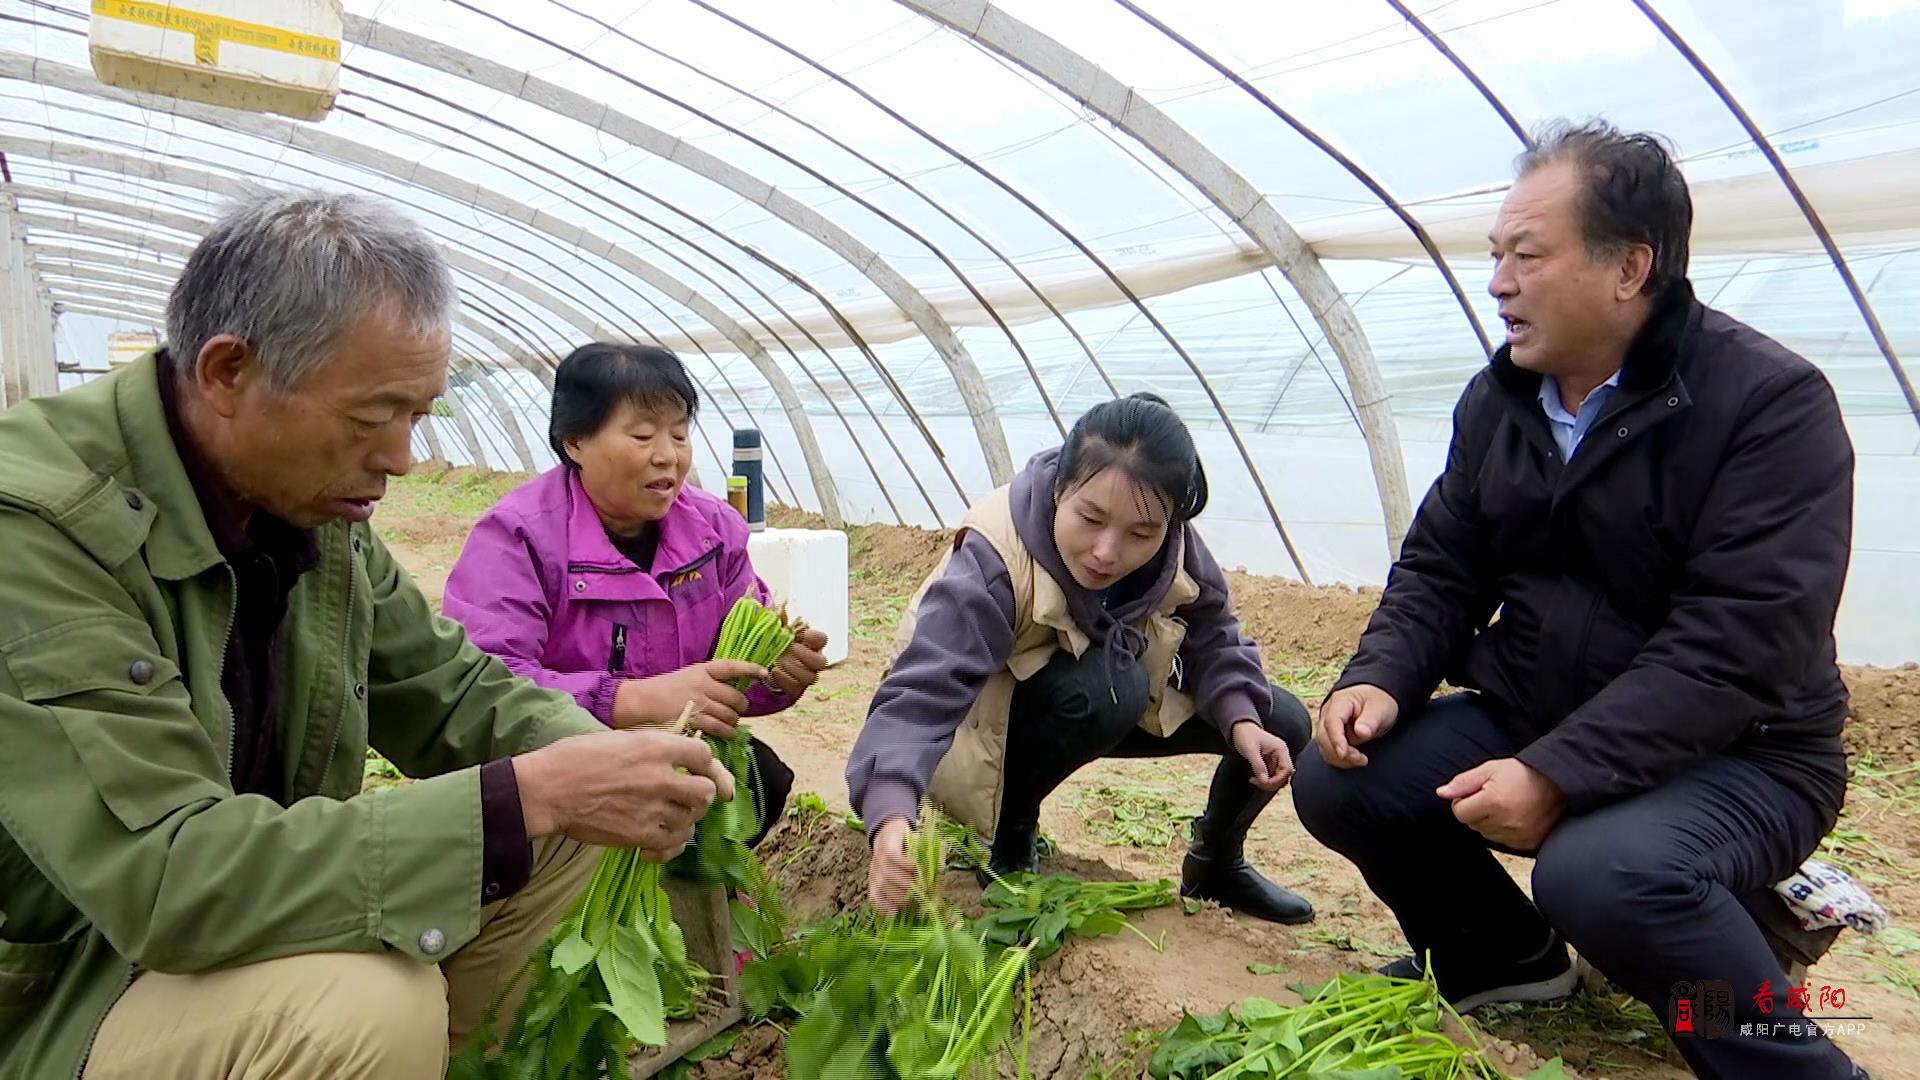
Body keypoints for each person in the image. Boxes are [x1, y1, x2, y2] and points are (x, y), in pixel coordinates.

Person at [0, 193, 737, 1080]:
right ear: (229, 372)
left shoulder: (311, 512)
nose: (402, 457)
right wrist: (524, 796)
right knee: (361, 1008)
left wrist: (609, 765)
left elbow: (458, 692)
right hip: (67, 989)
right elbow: (167, 877)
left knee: (581, 805)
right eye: (371, 417)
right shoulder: (35, 533)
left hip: (217, 932)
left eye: (419, 415)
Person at [1291, 121, 1867, 1079]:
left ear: (1630, 267)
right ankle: (1502, 960)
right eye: (1495, 256)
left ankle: (1784, 1060)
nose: (1498, 282)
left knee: (1602, 874)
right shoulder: (1502, 401)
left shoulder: (1768, 406)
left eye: (1526, 255)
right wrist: (1382, 676)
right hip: (1546, 707)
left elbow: (1737, 643)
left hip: (1747, 755)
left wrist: (1557, 775)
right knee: (1343, 777)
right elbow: (1442, 566)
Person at [849, 393, 1317, 925]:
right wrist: (890, 814)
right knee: (1113, 686)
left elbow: (1215, 634)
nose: (1107, 552)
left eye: (1141, 533)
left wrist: (1241, 718)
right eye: (1090, 519)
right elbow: (923, 691)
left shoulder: (1176, 549)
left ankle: (1215, 862)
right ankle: (1012, 830)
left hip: (1104, 702)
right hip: (985, 722)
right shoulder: (994, 556)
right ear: (1059, 489)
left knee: (1278, 719)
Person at [444, 342, 828, 846]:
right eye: (643, 434)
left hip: (677, 757)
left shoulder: (714, 532)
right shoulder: (519, 538)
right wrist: (634, 701)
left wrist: (776, 676)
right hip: (561, 768)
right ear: (575, 440)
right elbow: (485, 687)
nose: (667, 454)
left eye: (679, 433)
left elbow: (731, 678)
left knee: (763, 781)